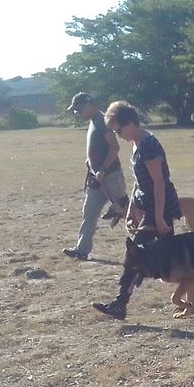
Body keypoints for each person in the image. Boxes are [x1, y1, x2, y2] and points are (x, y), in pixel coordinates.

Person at [91, 101, 194, 319]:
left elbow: (159, 183)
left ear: (131, 122)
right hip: (149, 208)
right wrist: (131, 209)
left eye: (119, 130)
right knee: (171, 257)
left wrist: (160, 218)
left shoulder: (149, 145)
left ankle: (119, 303)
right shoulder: (137, 144)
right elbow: (139, 182)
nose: (118, 135)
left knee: (134, 255)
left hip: (159, 208)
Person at [63, 92, 129, 261]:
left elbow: (114, 147)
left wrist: (103, 170)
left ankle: (148, 245)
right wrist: (91, 162)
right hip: (96, 178)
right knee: (89, 213)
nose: (77, 113)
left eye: (78, 109)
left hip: (110, 176)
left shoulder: (102, 120)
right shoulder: (94, 122)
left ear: (88, 104)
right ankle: (82, 250)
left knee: (125, 212)